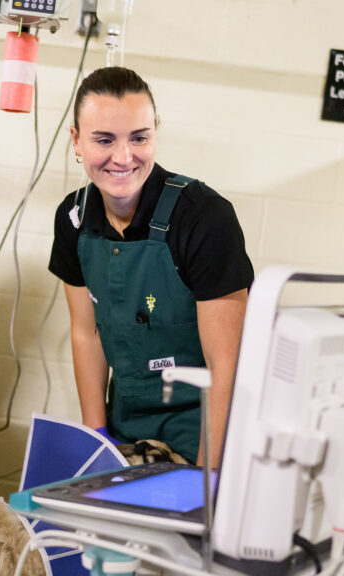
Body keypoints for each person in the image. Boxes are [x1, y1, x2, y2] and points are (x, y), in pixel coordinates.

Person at [48, 67, 254, 465]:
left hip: (204, 434)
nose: (123, 157)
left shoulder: (204, 219)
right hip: (126, 432)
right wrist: (99, 440)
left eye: (139, 138)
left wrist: (209, 477)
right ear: (76, 140)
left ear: (155, 133)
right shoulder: (72, 217)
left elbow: (227, 363)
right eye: (104, 140)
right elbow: (86, 333)